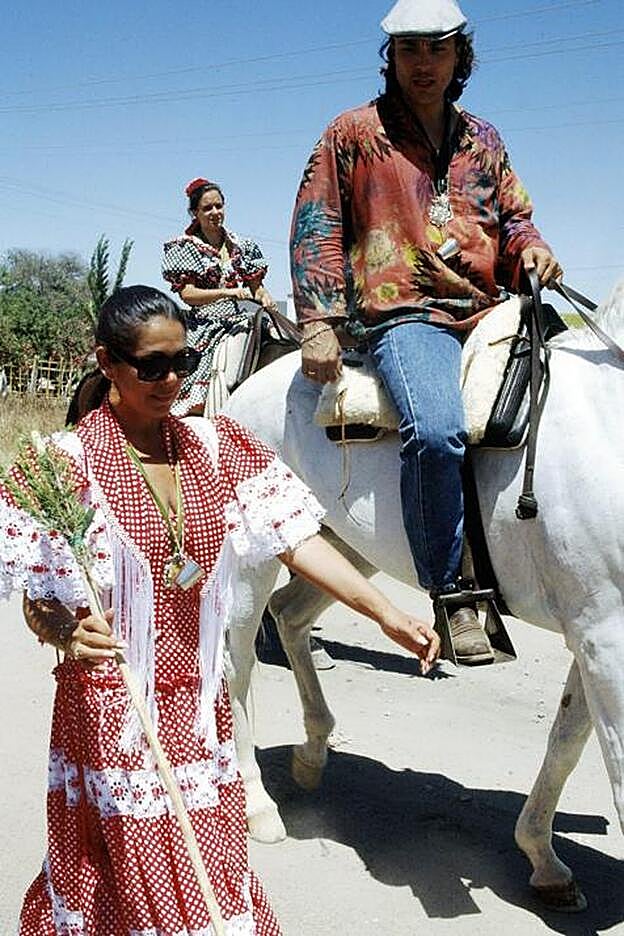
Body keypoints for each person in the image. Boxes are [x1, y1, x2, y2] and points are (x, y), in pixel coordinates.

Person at [0, 285, 438, 935]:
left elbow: (295, 538)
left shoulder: (216, 445)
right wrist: (66, 630)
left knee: (208, 862)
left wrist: (385, 612)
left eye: (186, 361)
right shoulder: (61, 466)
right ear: (106, 363)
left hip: (199, 703)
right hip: (114, 708)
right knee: (138, 873)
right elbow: (39, 597)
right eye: (152, 366)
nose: (172, 379)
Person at [290, 0, 563, 664]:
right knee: (438, 428)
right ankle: (454, 594)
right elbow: (317, 223)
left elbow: (515, 217)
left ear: (458, 56)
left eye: (436, 49)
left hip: (492, 307)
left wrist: (531, 248)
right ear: (392, 57)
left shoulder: (484, 138)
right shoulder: (352, 131)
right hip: (405, 313)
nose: (423, 63)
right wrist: (319, 322)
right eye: (409, 49)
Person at [162, 178, 278, 416]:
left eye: (219, 206)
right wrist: (229, 292)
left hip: (237, 318)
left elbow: (256, 287)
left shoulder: (241, 246)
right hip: (204, 323)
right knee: (197, 375)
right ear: (194, 213)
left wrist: (264, 296)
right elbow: (188, 294)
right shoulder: (187, 248)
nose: (215, 212)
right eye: (207, 208)